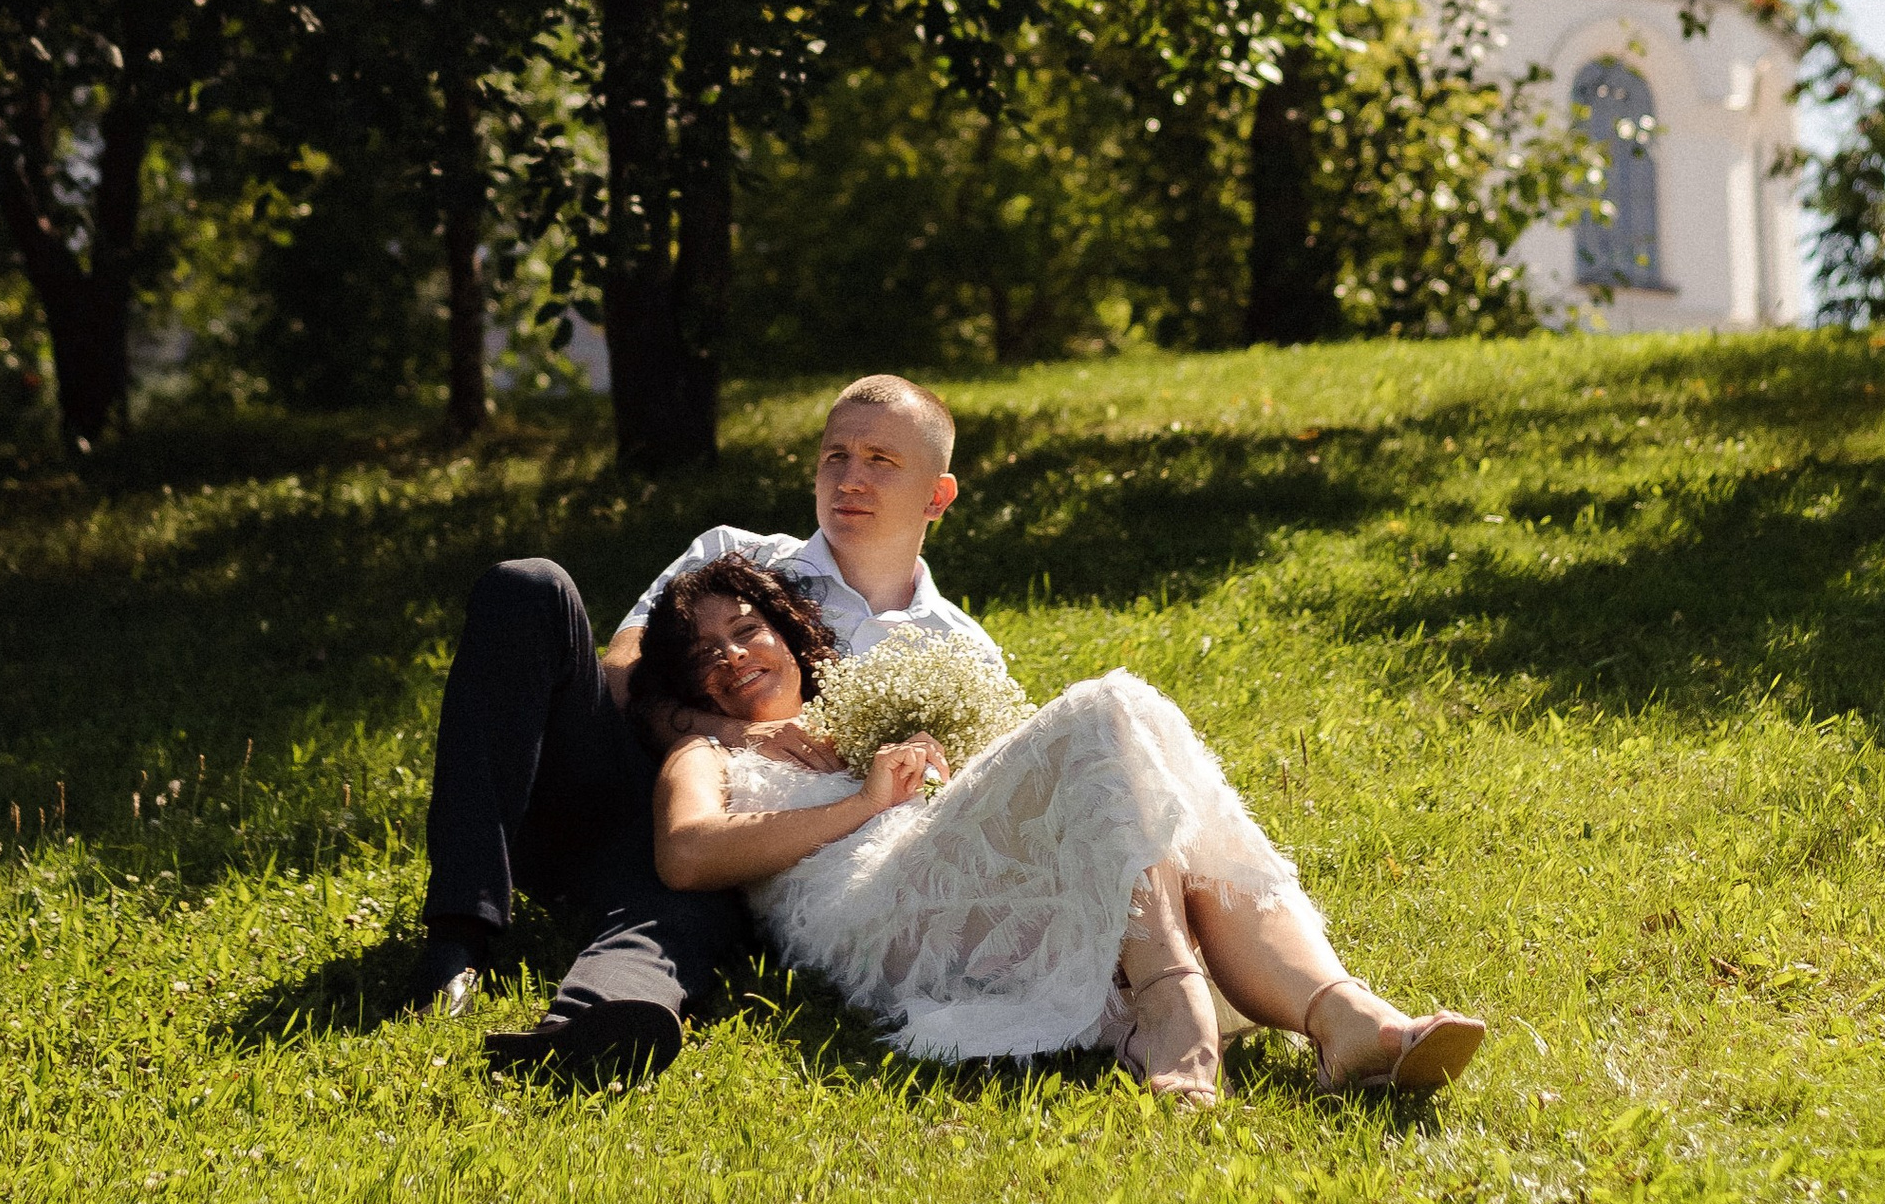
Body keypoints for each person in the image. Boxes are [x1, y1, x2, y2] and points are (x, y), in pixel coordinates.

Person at [640, 552, 1485, 1106]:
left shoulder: (858, 718)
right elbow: (685, 854)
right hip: (873, 918)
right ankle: (1173, 1004)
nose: (730, 655)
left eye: (746, 628)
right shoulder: (703, 754)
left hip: (952, 884)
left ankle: (1349, 1018)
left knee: (1152, 818)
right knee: (1108, 706)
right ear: (688, 684)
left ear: (787, 633)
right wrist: (862, 804)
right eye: (702, 652)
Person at [406, 374, 981, 1076]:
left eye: (880, 460)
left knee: (687, 907)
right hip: (615, 789)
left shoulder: (959, 650)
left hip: (745, 861)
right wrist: (732, 736)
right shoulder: (735, 554)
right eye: (836, 455)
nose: (850, 478)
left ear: (937, 494)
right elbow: (621, 677)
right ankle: (455, 940)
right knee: (529, 586)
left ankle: (599, 1024)